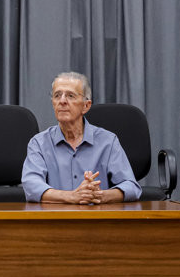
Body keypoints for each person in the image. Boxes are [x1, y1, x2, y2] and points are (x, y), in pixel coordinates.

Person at [21, 71, 142, 204]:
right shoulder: (39, 143)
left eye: (70, 96)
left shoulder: (108, 141)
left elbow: (132, 187)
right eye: (57, 95)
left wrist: (100, 195)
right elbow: (31, 187)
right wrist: (71, 196)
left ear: (86, 106)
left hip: (98, 220)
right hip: (54, 220)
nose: (62, 101)